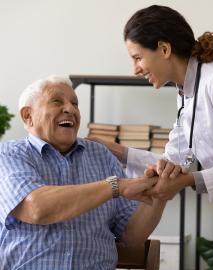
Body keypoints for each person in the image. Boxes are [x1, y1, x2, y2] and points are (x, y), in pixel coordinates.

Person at [90, 5, 213, 270]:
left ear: (164, 49)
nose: (135, 69)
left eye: (138, 57)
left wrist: (188, 180)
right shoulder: (187, 91)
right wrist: (118, 151)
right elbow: (173, 159)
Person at [0, 75, 175, 270]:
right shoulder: (8, 154)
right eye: (57, 101)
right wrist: (115, 186)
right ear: (27, 116)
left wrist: (160, 193)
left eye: (75, 103)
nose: (70, 109)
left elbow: (132, 236)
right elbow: (36, 208)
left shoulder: (101, 155)